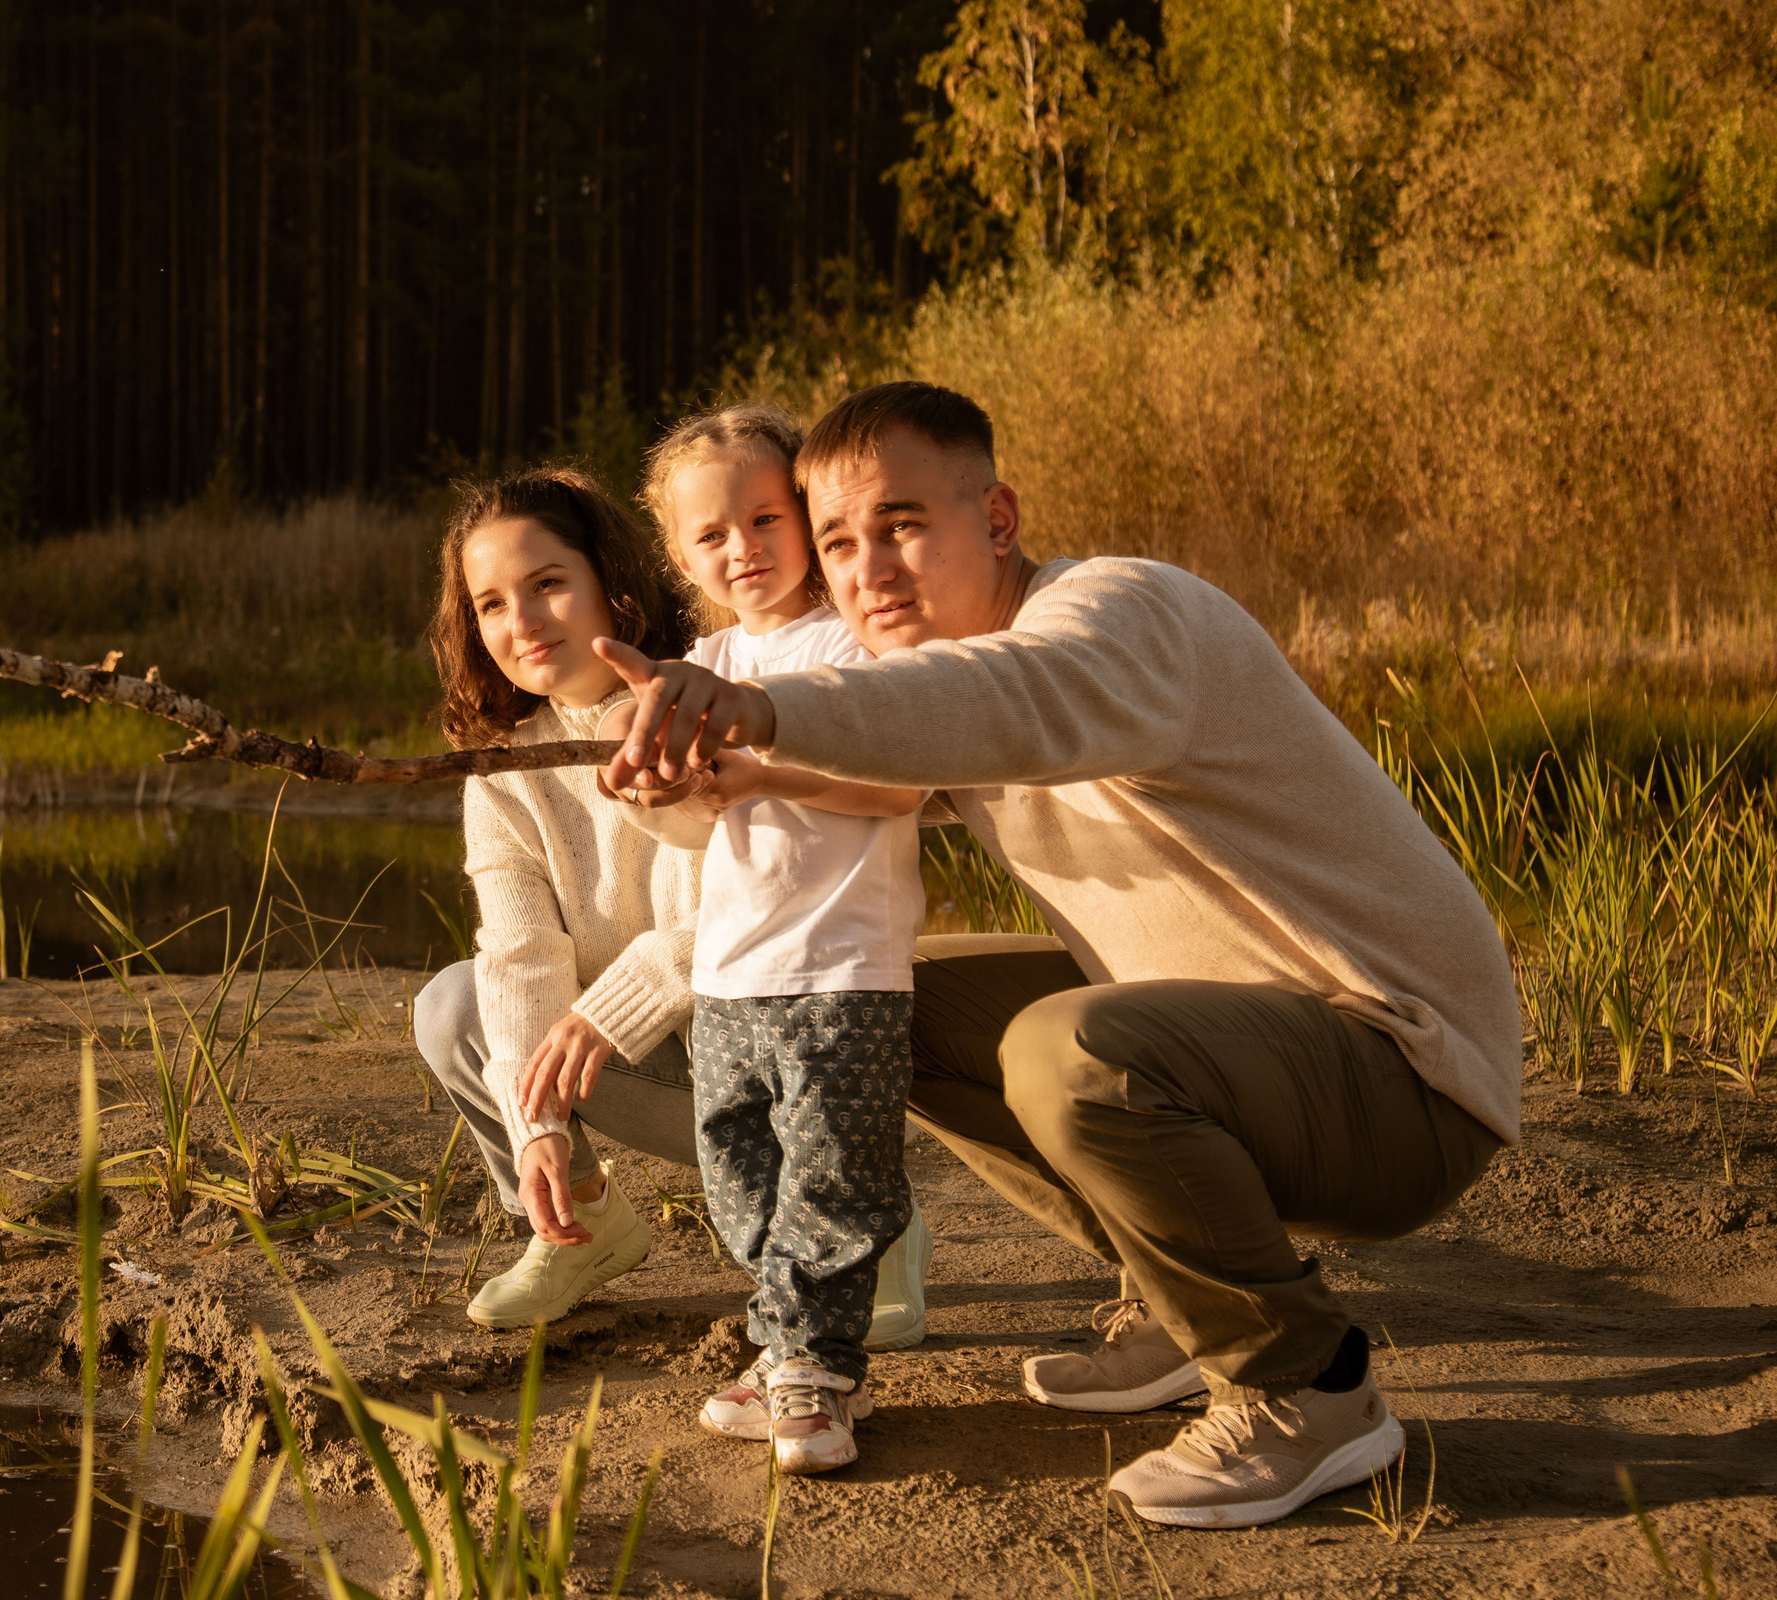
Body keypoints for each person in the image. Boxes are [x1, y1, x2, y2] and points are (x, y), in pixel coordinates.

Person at [595, 381, 1519, 1530]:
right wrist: (687, 777)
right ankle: (1178, 1305)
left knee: (1064, 1049)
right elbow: (855, 777)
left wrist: (757, 707)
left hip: (1406, 1070)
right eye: (836, 542)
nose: (867, 572)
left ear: (996, 518)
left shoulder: (1121, 614)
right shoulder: (953, 684)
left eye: (901, 525)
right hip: (1264, 1052)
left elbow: (1015, 698)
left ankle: (1305, 1390)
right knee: (884, 1008)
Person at [604, 403, 931, 1475]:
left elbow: (899, 784)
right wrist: (659, 782)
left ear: (803, 514)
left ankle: (818, 1369)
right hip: (732, 969)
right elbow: (699, 819)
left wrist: (764, 770)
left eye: (763, 518)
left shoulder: (852, 638)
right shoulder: (704, 654)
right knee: (739, 1172)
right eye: (711, 535)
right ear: (677, 553)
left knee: (832, 1174)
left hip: (843, 966)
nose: (741, 550)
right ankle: (781, 1339)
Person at [411, 466, 704, 1330]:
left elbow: (744, 923)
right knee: (456, 1004)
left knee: (745, 1003)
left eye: (547, 585)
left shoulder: (705, 699)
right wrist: (535, 1122)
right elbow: (521, 954)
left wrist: (608, 1012)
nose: (523, 622)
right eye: (491, 603)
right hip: (653, 1066)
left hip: (770, 1062)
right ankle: (579, 1227)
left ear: (611, 581)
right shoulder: (504, 771)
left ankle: (870, 1222)